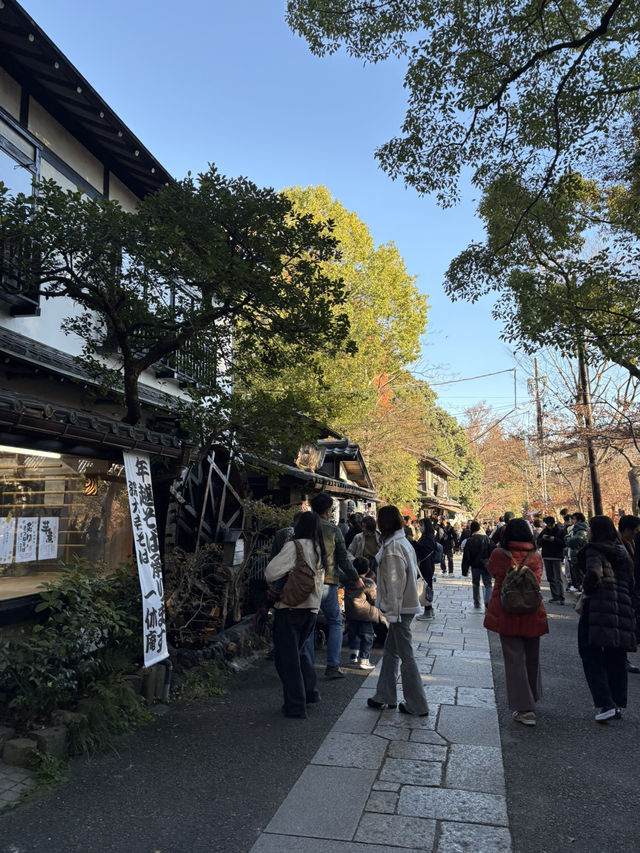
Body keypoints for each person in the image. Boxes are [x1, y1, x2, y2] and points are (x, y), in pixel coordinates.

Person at [366, 505, 429, 716]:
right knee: (391, 650)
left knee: (405, 654)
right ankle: (384, 695)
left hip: (400, 608)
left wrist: (391, 613)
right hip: (405, 606)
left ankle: (417, 704)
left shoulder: (393, 548)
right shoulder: (401, 542)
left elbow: (393, 585)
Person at [485, 518, 548, 726]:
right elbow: (537, 580)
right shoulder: (535, 556)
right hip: (532, 610)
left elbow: (492, 571)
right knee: (532, 657)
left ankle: (524, 708)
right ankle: (533, 696)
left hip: (507, 610)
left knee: (514, 661)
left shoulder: (499, 554)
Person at [264, 511, 326, 718]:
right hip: (312, 609)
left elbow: (270, 572)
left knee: (286, 660)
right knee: (299, 653)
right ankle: (310, 693)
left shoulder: (295, 546)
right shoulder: (320, 548)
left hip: (290, 608)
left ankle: (295, 706)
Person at [578, 515, 636, 722]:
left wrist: (586, 587)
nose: (587, 532)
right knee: (616, 656)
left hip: (598, 608)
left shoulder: (595, 550)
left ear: (596, 531)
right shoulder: (623, 550)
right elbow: (631, 581)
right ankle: (616, 702)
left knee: (590, 653)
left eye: (590, 529)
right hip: (622, 607)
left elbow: (593, 574)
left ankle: (606, 703)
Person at [308, 492, 362, 678]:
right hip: (327, 581)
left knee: (308, 622)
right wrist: (355, 577)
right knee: (335, 622)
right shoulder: (333, 530)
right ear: (328, 509)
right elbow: (344, 559)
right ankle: (332, 665)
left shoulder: (302, 527)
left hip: (305, 580)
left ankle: (305, 665)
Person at [345, 556, 386, 670]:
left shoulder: (348, 580)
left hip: (351, 613)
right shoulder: (368, 582)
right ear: (367, 570)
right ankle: (364, 660)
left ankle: (353, 655)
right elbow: (374, 598)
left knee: (353, 634)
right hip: (365, 614)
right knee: (367, 637)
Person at [618, 514, 640, 674]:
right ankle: (621, 659)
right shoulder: (619, 545)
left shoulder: (631, 541)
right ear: (626, 530)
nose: (635, 533)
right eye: (634, 530)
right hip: (625, 590)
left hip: (632, 589)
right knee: (625, 625)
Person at [461, 520, 494, 608]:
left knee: (475, 584)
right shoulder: (487, 539)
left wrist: (465, 569)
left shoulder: (470, 540)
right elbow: (493, 551)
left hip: (475, 566)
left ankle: (477, 603)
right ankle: (488, 601)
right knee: (488, 584)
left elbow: (466, 557)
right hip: (486, 565)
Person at [413, 517, 438, 620]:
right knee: (427, 586)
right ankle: (430, 610)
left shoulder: (429, 537)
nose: (420, 527)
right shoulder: (427, 536)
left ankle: (427, 611)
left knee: (426, 587)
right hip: (426, 564)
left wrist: (414, 543)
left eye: (422, 525)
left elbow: (424, 550)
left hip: (426, 565)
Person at [539, 516, 566, 605]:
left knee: (558, 577)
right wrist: (543, 539)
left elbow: (564, 543)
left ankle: (561, 596)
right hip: (547, 556)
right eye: (548, 525)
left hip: (556, 556)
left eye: (551, 525)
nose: (549, 526)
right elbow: (538, 542)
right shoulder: (544, 531)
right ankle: (555, 596)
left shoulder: (560, 531)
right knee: (550, 577)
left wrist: (554, 539)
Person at [566, 512, 588, 591]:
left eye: (574, 519)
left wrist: (567, 538)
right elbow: (568, 538)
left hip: (579, 556)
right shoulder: (574, 529)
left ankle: (580, 590)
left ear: (579, 520)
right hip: (574, 556)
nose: (572, 520)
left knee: (580, 576)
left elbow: (574, 541)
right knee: (576, 575)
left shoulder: (581, 530)